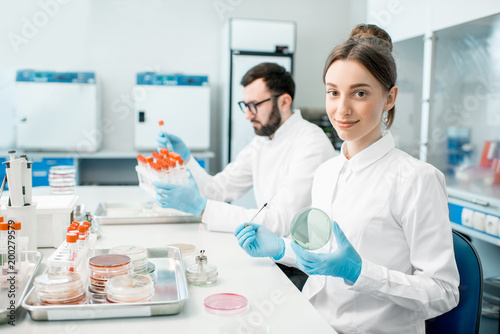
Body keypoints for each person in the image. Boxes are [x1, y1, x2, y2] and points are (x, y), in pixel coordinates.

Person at [234, 24, 459, 333]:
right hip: (315, 321)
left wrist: (359, 272)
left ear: (390, 97)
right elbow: (323, 261)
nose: (342, 109)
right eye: (333, 92)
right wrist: (280, 249)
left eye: (360, 93)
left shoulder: (416, 180)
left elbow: (443, 292)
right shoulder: (327, 172)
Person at [154, 62, 335, 238]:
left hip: (300, 263)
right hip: (270, 251)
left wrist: (202, 208)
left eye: (254, 105)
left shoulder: (311, 143)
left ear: (284, 102)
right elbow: (218, 189)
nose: (248, 115)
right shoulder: (261, 143)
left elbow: (282, 221)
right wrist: (186, 160)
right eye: (246, 105)